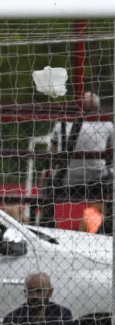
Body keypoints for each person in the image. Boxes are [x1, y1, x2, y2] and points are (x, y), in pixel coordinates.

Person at [40, 91, 114, 226]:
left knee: (46, 178)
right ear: (97, 107)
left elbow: (52, 152)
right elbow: (111, 153)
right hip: (97, 183)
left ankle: (46, 221)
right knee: (111, 178)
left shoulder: (62, 123)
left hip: (64, 182)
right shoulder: (106, 124)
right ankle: (108, 225)